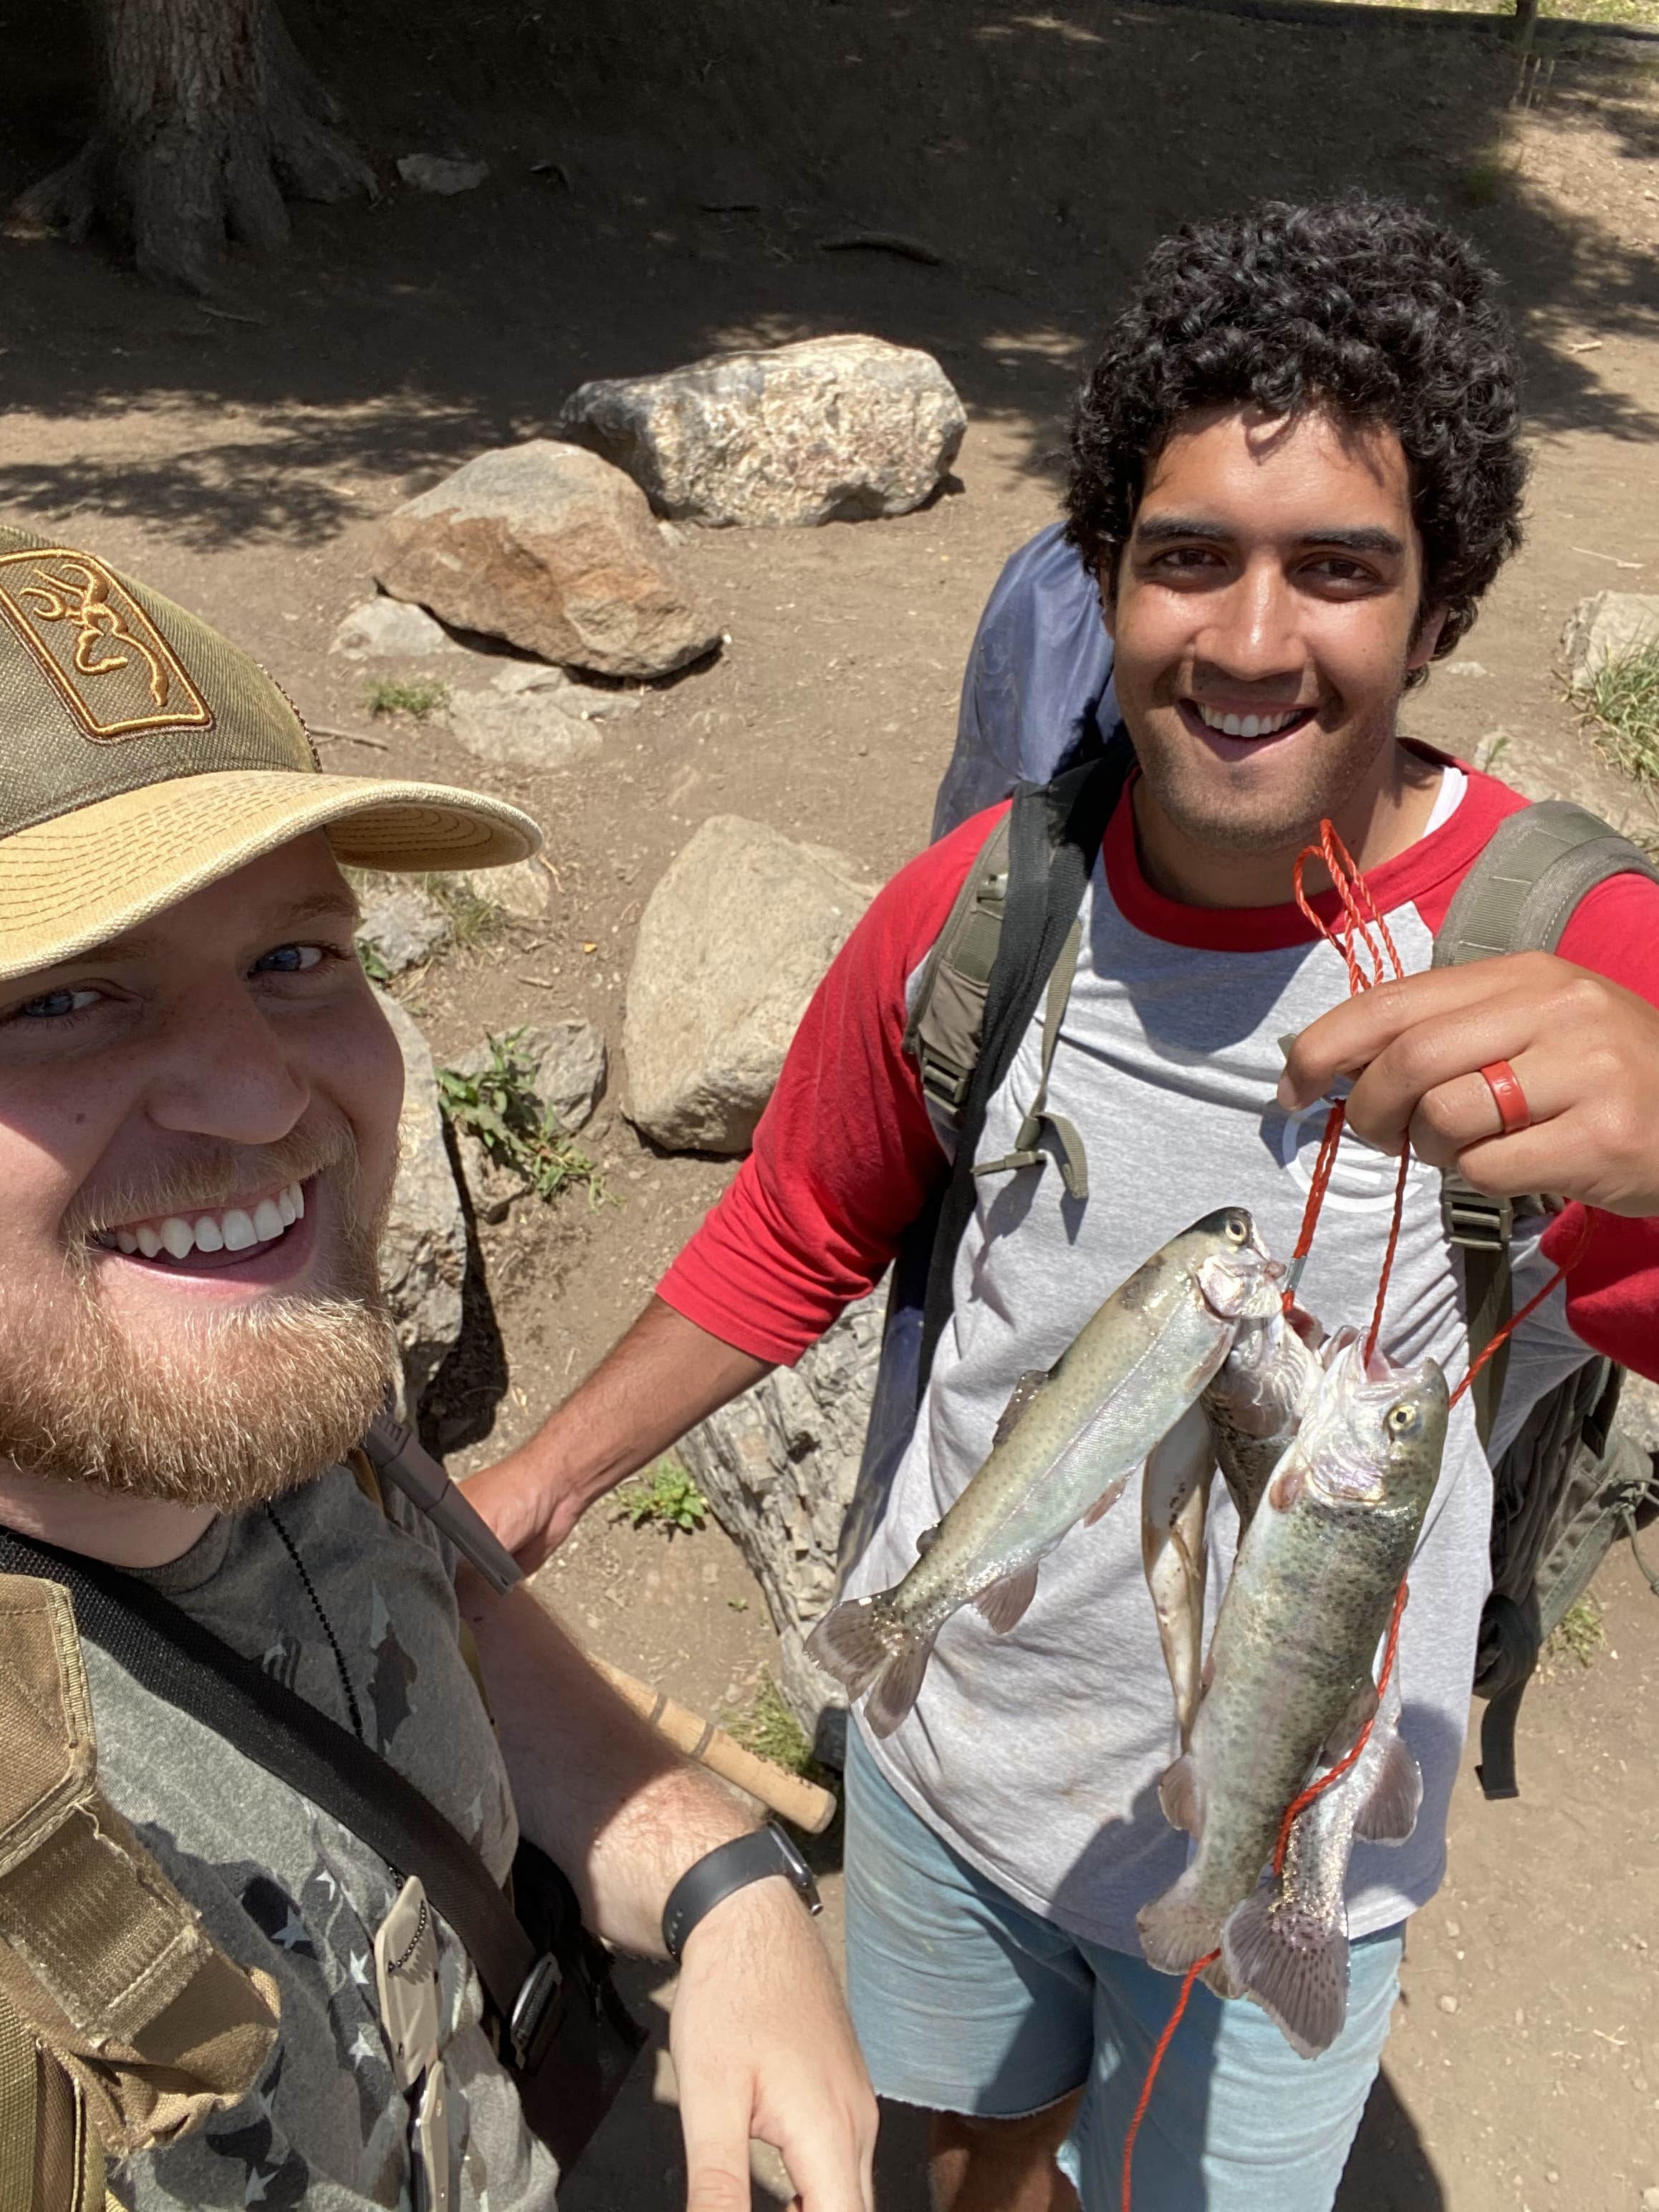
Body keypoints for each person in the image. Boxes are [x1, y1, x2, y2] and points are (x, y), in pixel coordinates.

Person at [466, 198, 1659, 2211]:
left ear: (1440, 608)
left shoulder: (1584, 958)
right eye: (1186, 557)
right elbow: (798, 1230)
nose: (1250, 640)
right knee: (970, 2151)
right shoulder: (981, 907)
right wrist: (541, 1482)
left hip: (1300, 1822)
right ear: (1103, 578)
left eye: (1339, 569)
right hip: (949, 1751)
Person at [0, 519, 875, 2211]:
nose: (266, 1095)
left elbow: (435, 1581)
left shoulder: (239, 1356)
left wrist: (708, 1865)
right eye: (60, 999)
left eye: (294, 957)